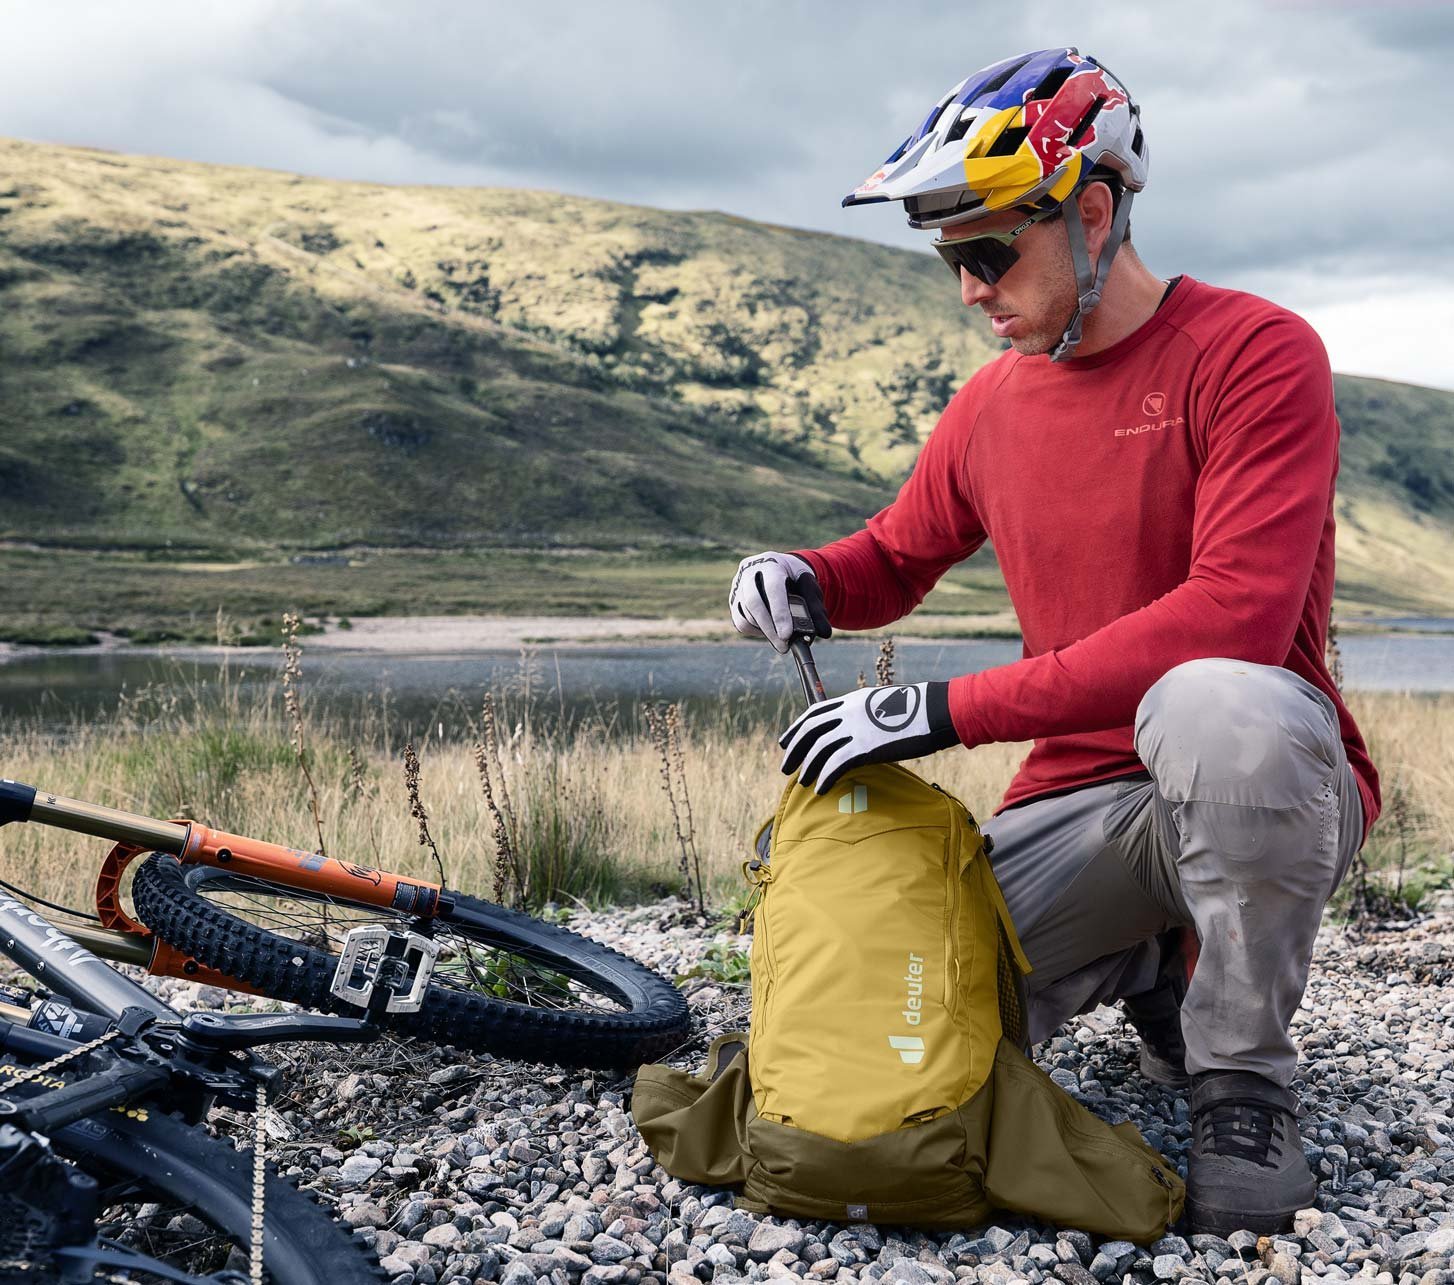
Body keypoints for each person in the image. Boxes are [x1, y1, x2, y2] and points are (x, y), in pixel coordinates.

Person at [727, 47, 1380, 1238]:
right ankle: (1155, 968)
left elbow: (1230, 613)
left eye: (987, 252)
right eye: (950, 261)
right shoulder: (991, 403)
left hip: (1265, 778)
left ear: (1089, 212)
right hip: (1080, 811)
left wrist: (937, 710)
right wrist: (801, 577)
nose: (968, 289)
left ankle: (1240, 1081)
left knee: (1214, 705)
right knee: (892, 1024)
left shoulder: (1250, 353)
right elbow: (893, 555)